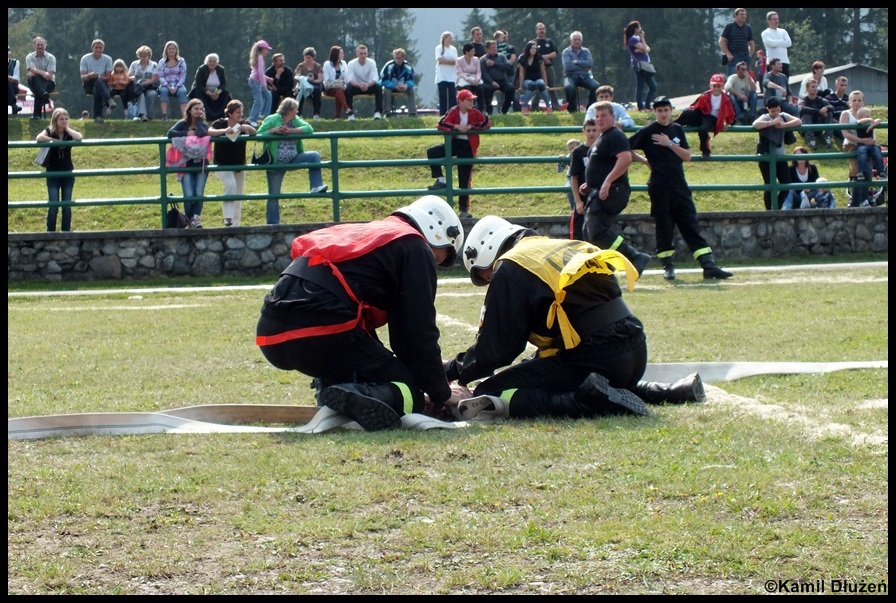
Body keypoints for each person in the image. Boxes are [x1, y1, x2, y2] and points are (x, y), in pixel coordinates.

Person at [443, 215, 706, 422]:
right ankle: (663, 391)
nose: (490, 280)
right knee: (546, 372)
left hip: (596, 357)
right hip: (634, 348)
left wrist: (453, 372)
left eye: (486, 275)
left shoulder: (512, 265)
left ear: (488, 250)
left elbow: (496, 350)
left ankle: (583, 401)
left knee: (493, 391)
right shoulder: (565, 246)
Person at [255, 195, 468, 431]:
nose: (436, 263)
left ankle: (337, 387)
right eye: (442, 255)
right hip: (321, 330)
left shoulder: (369, 234)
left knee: (382, 369)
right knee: (408, 388)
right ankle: (350, 390)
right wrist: (441, 392)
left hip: (271, 332)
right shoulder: (415, 246)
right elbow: (414, 336)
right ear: (436, 231)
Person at [629, 96, 733, 281]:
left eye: (666, 110)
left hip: (679, 185)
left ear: (671, 111)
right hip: (659, 186)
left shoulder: (676, 129)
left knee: (690, 224)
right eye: (659, 110)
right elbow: (625, 147)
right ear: (655, 112)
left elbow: (687, 156)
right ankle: (667, 266)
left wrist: (669, 143)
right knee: (664, 226)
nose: (663, 113)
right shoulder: (648, 131)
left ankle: (708, 265)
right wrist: (645, 160)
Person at [580, 101, 651, 277]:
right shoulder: (604, 137)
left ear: (613, 117)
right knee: (589, 232)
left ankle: (634, 256)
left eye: (603, 115)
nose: (599, 119)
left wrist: (607, 182)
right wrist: (590, 184)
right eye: (596, 116)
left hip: (613, 190)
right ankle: (602, 270)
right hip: (599, 190)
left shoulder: (614, 135)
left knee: (597, 232)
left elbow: (625, 158)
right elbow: (606, 162)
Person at [256, 97, 327, 225]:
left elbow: (309, 128)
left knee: (314, 156)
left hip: (294, 158)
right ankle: (273, 223)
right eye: (295, 109)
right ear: (289, 110)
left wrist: (291, 131)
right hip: (275, 163)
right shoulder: (272, 119)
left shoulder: (296, 120)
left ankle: (316, 186)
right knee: (274, 195)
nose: (297, 111)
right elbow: (259, 135)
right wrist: (274, 131)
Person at [425, 88, 490, 219]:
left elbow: (486, 123)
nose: (472, 102)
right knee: (432, 152)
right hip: (454, 144)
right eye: (469, 100)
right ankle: (441, 180)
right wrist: (457, 127)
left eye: (472, 100)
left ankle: (463, 210)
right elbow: (441, 124)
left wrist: (471, 127)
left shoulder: (475, 112)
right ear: (460, 101)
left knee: (464, 179)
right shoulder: (453, 111)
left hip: (468, 147)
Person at [208, 99, 256, 227]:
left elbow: (255, 132)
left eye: (241, 112)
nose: (240, 114)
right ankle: (228, 218)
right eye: (237, 112)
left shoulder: (244, 123)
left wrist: (248, 128)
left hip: (239, 163)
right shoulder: (220, 123)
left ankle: (236, 224)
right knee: (230, 185)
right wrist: (224, 131)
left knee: (238, 193)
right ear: (229, 113)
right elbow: (209, 131)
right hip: (222, 163)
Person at [166, 98, 211, 228]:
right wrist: (187, 133)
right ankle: (188, 219)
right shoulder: (182, 123)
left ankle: (195, 219)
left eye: (201, 109)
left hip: (201, 164)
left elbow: (202, 133)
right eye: (196, 109)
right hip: (186, 164)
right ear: (189, 110)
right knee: (189, 194)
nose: (198, 111)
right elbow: (170, 133)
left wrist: (198, 122)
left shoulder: (203, 124)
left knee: (198, 193)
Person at [36, 108, 82, 232]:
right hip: (52, 172)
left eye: (66, 119)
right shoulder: (49, 131)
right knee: (53, 204)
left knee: (66, 205)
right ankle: (50, 232)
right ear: (55, 120)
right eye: (61, 119)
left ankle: (65, 231)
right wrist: (54, 141)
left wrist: (67, 128)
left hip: (67, 172)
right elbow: (39, 137)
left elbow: (79, 137)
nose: (64, 121)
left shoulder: (69, 134)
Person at [753, 96, 802, 211]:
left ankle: (777, 208)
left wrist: (783, 125)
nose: (775, 113)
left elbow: (799, 121)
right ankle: (769, 211)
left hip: (781, 157)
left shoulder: (784, 116)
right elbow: (755, 124)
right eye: (772, 111)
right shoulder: (765, 117)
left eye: (777, 110)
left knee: (786, 184)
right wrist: (772, 123)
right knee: (769, 185)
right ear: (767, 109)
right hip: (766, 158)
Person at [674, 74, 736, 159]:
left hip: (713, 119)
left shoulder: (726, 99)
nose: (717, 89)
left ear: (722, 87)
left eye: (719, 86)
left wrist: (727, 123)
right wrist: (689, 114)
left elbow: (731, 114)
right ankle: (673, 126)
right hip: (703, 114)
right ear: (710, 85)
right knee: (686, 113)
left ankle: (705, 150)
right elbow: (695, 106)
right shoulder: (705, 95)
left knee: (703, 130)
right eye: (714, 86)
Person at [568, 118, 599, 240]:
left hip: (599, 197)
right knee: (578, 234)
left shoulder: (604, 148)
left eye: (594, 130)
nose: (592, 133)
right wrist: (577, 201)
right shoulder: (578, 152)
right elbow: (574, 177)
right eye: (589, 130)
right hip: (583, 198)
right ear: (583, 131)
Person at [852, 106, 888, 200]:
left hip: (872, 145)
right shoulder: (858, 124)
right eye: (865, 116)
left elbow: (879, 119)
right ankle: (861, 172)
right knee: (862, 154)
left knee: (877, 152)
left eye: (869, 115)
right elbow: (859, 122)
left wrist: (872, 124)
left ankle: (881, 172)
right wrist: (868, 119)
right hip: (862, 145)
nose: (869, 118)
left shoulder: (870, 123)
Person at [561, 31, 599, 113]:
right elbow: (568, 67)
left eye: (579, 39)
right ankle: (572, 109)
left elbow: (590, 64)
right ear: (571, 41)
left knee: (596, 86)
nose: (577, 41)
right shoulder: (566, 52)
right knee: (569, 87)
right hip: (570, 76)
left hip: (585, 76)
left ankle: (590, 109)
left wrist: (577, 62)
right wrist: (583, 66)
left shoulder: (586, 51)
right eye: (575, 39)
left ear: (581, 41)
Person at [189, 53, 232, 121]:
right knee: (197, 93)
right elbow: (199, 84)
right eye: (210, 61)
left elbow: (223, 84)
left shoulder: (221, 69)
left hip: (216, 91)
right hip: (203, 91)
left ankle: (222, 116)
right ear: (207, 62)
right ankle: (204, 115)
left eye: (214, 62)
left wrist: (218, 92)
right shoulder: (201, 69)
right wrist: (209, 94)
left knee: (226, 94)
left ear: (217, 62)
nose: (212, 63)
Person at [79, 39, 114, 123]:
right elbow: (82, 77)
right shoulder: (85, 58)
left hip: (102, 84)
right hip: (88, 83)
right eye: (96, 47)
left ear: (103, 48)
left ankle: (98, 117)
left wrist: (98, 77)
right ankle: (108, 100)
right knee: (95, 80)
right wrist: (90, 75)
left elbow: (108, 77)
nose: (98, 49)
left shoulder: (108, 59)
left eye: (100, 48)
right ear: (92, 48)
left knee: (97, 87)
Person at [624, 21, 656, 112]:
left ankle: (646, 105)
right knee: (642, 86)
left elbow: (647, 49)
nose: (641, 29)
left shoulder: (637, 38)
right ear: (635, 29)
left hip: (645, 64)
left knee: (652, 86)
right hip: (640, 65)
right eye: (639, 27)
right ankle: (642, 106)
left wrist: (642, 40)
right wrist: (643, 47)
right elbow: (644, 48)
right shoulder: (633, 39)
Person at [345, 44, 383, 120]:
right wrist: (359, 85)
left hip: (368, 86)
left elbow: (375, 78)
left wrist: (367, 85)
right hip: (356, 86)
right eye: (361, 53)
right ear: (357, 54)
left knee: (378, 87)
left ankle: (378, 112)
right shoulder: (351, 63)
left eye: (365, 53)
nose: (363, 55)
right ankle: (350, 114)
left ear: (367, 54)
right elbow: (349, 79)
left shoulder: (372, 62)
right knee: (348, 89)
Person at [479, 39, 515, 115]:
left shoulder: (501, 56)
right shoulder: (483, 59)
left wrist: (494, 64)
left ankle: (504, 110)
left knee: (511, 89)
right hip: (490, 82)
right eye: (493, 48)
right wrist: (492, 82)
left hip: (502, 81)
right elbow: (484, 73)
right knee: (486, 89)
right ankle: (489, 111)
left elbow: (508, 66)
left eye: (496, 47)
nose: (495, 49)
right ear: (487, 49)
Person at [798, 79, 835, 150]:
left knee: (829, 112)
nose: (815, 88)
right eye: (813, 87)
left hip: (818, 127)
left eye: (816, 86)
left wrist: (826, 108)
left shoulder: (820, 99)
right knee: (807, 114)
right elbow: (802, 108)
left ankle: (828, 136)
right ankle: (810, 139)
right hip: (805, 129)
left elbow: (832, 107)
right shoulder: (804, 100)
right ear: (807, 89)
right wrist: (818, 111)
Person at [25, 37, 56, 120]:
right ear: (34, 46)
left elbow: (49, 75)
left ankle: (37, 115)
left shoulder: (51, 58)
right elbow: (32, 69)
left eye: (41, 45)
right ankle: (44, 96)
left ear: (45, 46)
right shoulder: (29, 57)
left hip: (48, 84)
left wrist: (35, 72)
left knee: (38, 87)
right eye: (38, 45)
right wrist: (43, 73)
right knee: (36, 80)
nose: (40, 47)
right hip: (34, 82)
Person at [516, 40, 551, 115]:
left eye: (535, 48)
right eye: (532, 48)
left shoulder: (539, 57)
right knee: (531, 84)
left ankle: (549, 107)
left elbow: (543, 71)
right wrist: (521, 86)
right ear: (528, 48)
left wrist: (546, 84)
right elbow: (521, 73)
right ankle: (524, 107)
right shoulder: (522, 58)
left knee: (541, 84)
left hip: (538, 78)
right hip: (527, 80)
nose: (534, 50)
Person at [379, 48, 416, 117]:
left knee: (411, 90)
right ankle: (387, 113)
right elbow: (384, 80)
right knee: (386, 90)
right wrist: (394, 86)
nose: (398, 60)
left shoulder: (408, 66)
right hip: (391, 86)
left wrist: (406, 85)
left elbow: (411, 79)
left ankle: (412, 113)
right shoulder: (389, 66)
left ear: (403, 57)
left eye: (399, 58)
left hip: (403, 86)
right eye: (396, 58)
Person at [157, 40, 188, 121]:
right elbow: (160, 76)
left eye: (173, 49)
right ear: (166, 50)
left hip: (178, 84)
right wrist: (168, 86)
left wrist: (177, 86)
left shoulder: (181, 61)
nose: (171, 50)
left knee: (182, 92)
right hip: (165, 84)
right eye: (169, 49)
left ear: (176, 50)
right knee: (163, 91)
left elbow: (183, 75)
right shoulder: (161, 62)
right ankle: (164, 115)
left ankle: (185, 117)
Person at [534, 22, 561, 111]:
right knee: (537, 88)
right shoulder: (533, 42)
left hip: (549, 68)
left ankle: (556, 107)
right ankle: (534, 108)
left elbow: (555, 53)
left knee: (552, 87)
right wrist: (542, 58)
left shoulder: (549, 41)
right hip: (537, 69)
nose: (541, 31)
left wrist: (547, 56)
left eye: (543, 29)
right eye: (540, 29)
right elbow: (530, 54)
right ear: (536, 31)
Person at [719, 8, 755, 77]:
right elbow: (722, 41)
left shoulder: (748, 28)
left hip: (745, 56)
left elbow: (751, 43)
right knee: (732, 77)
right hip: (733, 56)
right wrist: (728, 54)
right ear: (736, 16)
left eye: (745, 14)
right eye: (741, 14)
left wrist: (750, 55)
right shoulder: (729, 27)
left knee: (745, 78)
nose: (744, 16)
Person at [782, 146, 820, 210]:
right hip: (797, 196)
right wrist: (803, 189)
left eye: (802, 155)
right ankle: (786, 210)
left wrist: (810, 188)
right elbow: (790, 184)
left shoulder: (813, 168)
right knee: (788, 190)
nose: (800, 157)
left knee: (823, 187)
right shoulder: (791, 169)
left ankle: (828, 208)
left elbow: (816, 182)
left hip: (810, 195)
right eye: (797, 155)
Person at [128, 45, 158, 122]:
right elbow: (129, 77)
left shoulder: (153, 65)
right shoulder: (134, 64)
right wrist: (134, 78)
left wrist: (144, 83)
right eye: (140, 56)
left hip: (149, 86)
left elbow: (153, 79)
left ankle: (150, 116)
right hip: (137, 87)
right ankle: (143, 115)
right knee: (140, 94)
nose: (142, 58)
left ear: (149, 56)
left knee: (153, 94)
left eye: (144, 56)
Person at [322, 46, 353, 120]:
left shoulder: (344, 63)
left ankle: (338, 117)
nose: (343, 55)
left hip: (341, 87)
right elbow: (326, 80)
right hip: (330, 88)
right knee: (338, 90)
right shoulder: (327, 64)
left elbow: (346, 77)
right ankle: (347, 108)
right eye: (341, 53)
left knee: (338, 92)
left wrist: (341, 80)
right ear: (336, 54)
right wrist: (338, 80)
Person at [247, 40, 273, 127]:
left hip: (258, 81)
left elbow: (260, 73)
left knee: (268, 96)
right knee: (258, 100)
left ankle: (263, 115)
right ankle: (252, 119)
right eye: (266, 49)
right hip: (256, 82)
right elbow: (260, 73)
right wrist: (264, 84)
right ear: (262, 49)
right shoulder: (260, 58)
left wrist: (267, 78)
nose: (267, 51)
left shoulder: (259, 57)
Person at [455, 42, 484, 113]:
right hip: (464, 80)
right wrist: (469, 80)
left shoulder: (476, 59)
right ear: (467, 52)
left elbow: (478, 72)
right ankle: (468, 109)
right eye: (472, 51)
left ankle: (481, 110)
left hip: (475, 79)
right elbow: (460, 73)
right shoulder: (459, 60)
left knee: (480, 89)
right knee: (468, 90)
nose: (474, 52)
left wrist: (477, 79)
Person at [295, 47, 323, 120]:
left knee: (317, 91)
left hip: (314, 84)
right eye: (306, 57)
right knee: (300, 91)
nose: (307, 59)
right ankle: (299, 114)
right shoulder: (300, 66)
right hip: (303, 84)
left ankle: (316, 114)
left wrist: (312, 80)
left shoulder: (318, 66)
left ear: (313, 58)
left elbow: (320, 79)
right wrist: (303, 78)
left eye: (309, 58)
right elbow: (297, 76)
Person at [761, 11, 792, 77]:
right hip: (772, 64)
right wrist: (782, 41)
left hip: (784, 62)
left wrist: (776, 42)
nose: (777, 21)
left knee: (784, 85)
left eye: (777, 19)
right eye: (774, 19)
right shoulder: (765, 33)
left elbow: (789, 43)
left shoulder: (783, 31)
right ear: (769, 21)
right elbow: (771, 43)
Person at [264, 53, 295, 118]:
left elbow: (290, 85)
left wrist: (278, 89)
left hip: (285, 90)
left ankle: (291, 115)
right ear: (274, 62)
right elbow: (270, 86)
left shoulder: (288, 71)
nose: (283, 62)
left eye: (283, 60)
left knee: (290, 95)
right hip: (274, 92)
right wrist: (277, 75)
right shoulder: (269, 72)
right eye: (280, 61)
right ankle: (272, 115)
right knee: (273, 95)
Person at [434, 31, 458, 116]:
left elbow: (456, 61)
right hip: (442, 75)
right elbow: (439, 60)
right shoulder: (439, 48)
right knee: (443, 96)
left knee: (452, 96)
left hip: (452, 75)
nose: (451, 40)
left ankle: (452, 113)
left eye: (451, 38)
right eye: (449, 38)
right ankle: (443, 114)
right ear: (444, 38)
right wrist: (449, 62)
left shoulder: (453, 49)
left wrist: (446, 61)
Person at [558, 137, 581, 224]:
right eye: (569, 149)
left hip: (581, 176)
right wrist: (561, 160)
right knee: (569, 189)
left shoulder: (582, 154)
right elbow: (560, 170)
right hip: (570, 177)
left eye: (574, 148)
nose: (572, 151)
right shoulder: (568, 158)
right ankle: (573, 209)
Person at [9, 46, 23, 115]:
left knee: (9, 83)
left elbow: (17, 78)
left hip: (13, 86)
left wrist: (10, 78)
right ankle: (13, 105)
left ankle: (13, 105)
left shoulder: (15, 62)